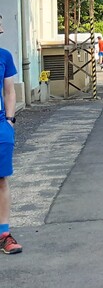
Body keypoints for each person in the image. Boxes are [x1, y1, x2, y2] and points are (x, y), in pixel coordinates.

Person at [0, 15, 23, 254]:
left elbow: (9, 91)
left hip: (0, 125)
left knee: (1, 180)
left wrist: (9, 120)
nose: (2, 29)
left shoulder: (4, 56)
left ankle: (3, 234)